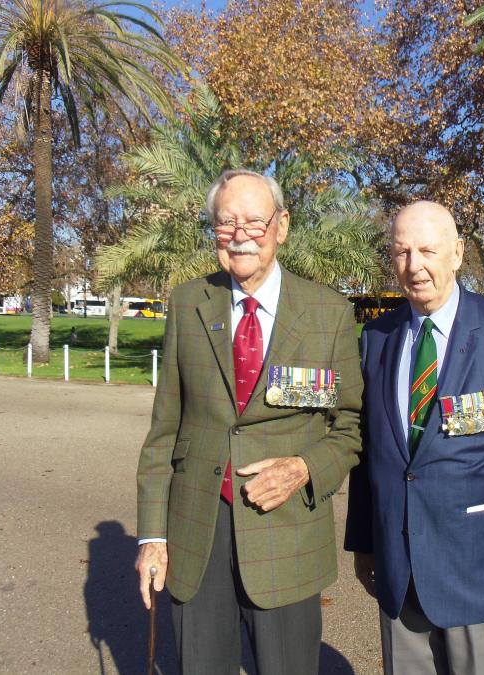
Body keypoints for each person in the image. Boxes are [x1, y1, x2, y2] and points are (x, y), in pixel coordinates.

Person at [134, 169, 363, 675]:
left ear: (281, 226)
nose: (240, 235)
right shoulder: (187, 303)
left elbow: (349, 426)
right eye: (225, 223)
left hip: (285, 532)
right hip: (197, 534)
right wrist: (152, 535)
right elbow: (162, 434)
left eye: (254, 222)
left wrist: (304, 468)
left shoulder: (329, 313)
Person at [345, 201, 484, 674]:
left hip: (480, 574)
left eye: (427, 250)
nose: (414, 266)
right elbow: (371, 457)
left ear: (458, 253)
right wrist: (364, 542)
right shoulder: (376, 338)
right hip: (399, 573)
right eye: (402, 252)